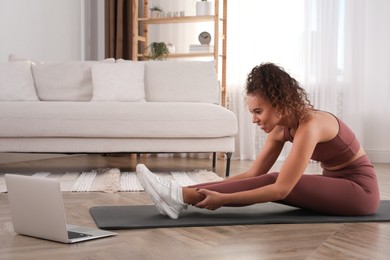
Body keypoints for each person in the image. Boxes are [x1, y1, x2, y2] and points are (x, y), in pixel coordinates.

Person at [136, 62, 380, 219]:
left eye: (258, 111)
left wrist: (224, 200)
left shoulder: (311, 125)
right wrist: (211, 188)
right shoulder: (280, 130)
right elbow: (253, 174)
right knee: (267, 177)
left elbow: (280, 189)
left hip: (360, 192)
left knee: (277, 179)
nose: (254, 119)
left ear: (280, 103)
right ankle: (179, 194)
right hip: (336, 185)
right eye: (252, 112)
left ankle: (179, 197)